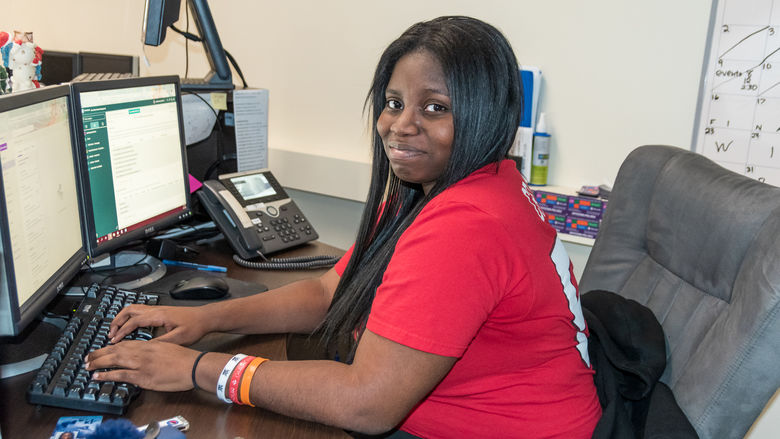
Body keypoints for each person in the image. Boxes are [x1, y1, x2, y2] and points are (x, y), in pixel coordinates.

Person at [85, 16, 601, 438]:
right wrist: (210, 319)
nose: (400, 125)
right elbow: (333, 292)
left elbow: (365, 403)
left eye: (435, 108)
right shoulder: (449, 186)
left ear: (486, 115)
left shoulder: (466, 225)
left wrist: (197, 370)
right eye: (394, 103)